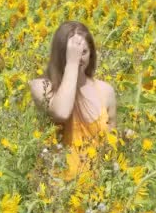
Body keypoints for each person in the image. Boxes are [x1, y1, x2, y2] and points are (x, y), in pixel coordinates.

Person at [28, 21, 116, 180]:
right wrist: (72, 63)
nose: (78, 57)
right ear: (60, 53)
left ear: (91, 53)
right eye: (71, 52)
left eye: (83, 52)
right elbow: (61, 112)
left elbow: (111, 147)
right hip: (56, 193)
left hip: (96, 195)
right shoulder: (41, 86)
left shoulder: (106, 91)